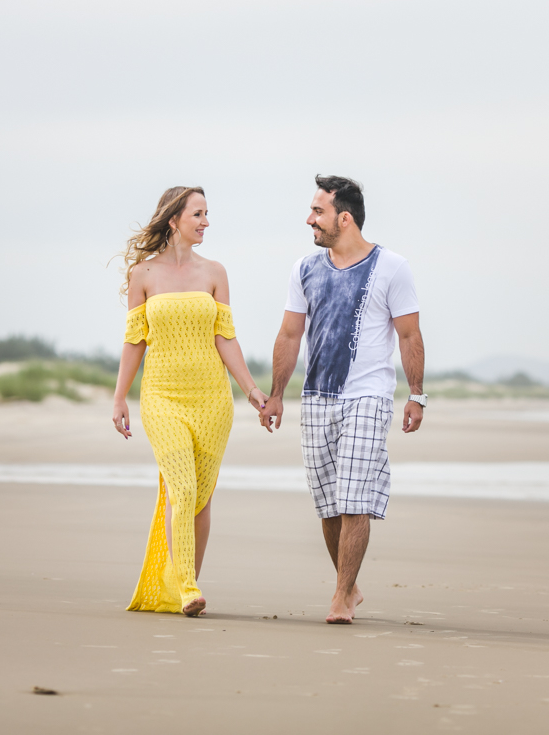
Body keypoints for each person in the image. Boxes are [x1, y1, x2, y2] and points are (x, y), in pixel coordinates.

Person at [260, 175, 426, 624]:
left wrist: (417, 396)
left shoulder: (392, 267)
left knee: (355, 499)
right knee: (328, 504)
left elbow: (409, 334)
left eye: (318, 211)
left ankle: (338, 598)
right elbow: (290, 334)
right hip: (316, 397)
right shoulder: (304, 269)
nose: (310, 219)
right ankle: (350, 589)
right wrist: (276, 395)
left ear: (344, 218)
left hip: (369, 396)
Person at [112, 186, 269, 617]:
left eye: (206, 214)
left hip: (212, 400)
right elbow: (134, 342)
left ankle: (188, 584)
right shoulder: (142, 276)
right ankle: (185, 587)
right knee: (180, 487)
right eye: (198, 214)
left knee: (199, 497)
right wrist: (120, 397)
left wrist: (252, 390)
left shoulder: (215, 272)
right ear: (174, 219)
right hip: (162, 396)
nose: (205, 222)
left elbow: (226, 338)